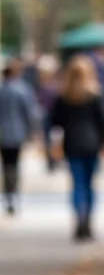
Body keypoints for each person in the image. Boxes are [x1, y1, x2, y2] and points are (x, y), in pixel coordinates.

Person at [50, 54, 104, 240]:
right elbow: (101, 122)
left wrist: (54, 146)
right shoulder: (95, 96)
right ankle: (87, 218)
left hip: (72, 144)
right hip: (91, 144)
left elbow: (55, 124)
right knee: (89, 184)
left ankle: (80, 217)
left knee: (78, 184)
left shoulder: (64, 97)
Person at [0, 60, 38, 213]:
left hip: (1, 134)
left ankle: (7, 195)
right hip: (17, 134)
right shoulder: (22, 90)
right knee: (14, 165)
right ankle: (13, 194)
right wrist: (33, 131)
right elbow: (30, 113)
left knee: (4, 165)